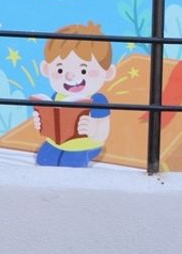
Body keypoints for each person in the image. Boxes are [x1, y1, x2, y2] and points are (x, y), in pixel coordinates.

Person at [29, 21, 116, 167]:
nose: (71, 77)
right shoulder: (56, 96)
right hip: (56, 143)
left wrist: (93, 129)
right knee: (43, 159)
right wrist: (41, 122)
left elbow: (103, 129)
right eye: (60, 70)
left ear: (108, 73)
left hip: (85, 145)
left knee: (71, 164)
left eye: (83, 70)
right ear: (46, 69)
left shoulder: (97, 100)